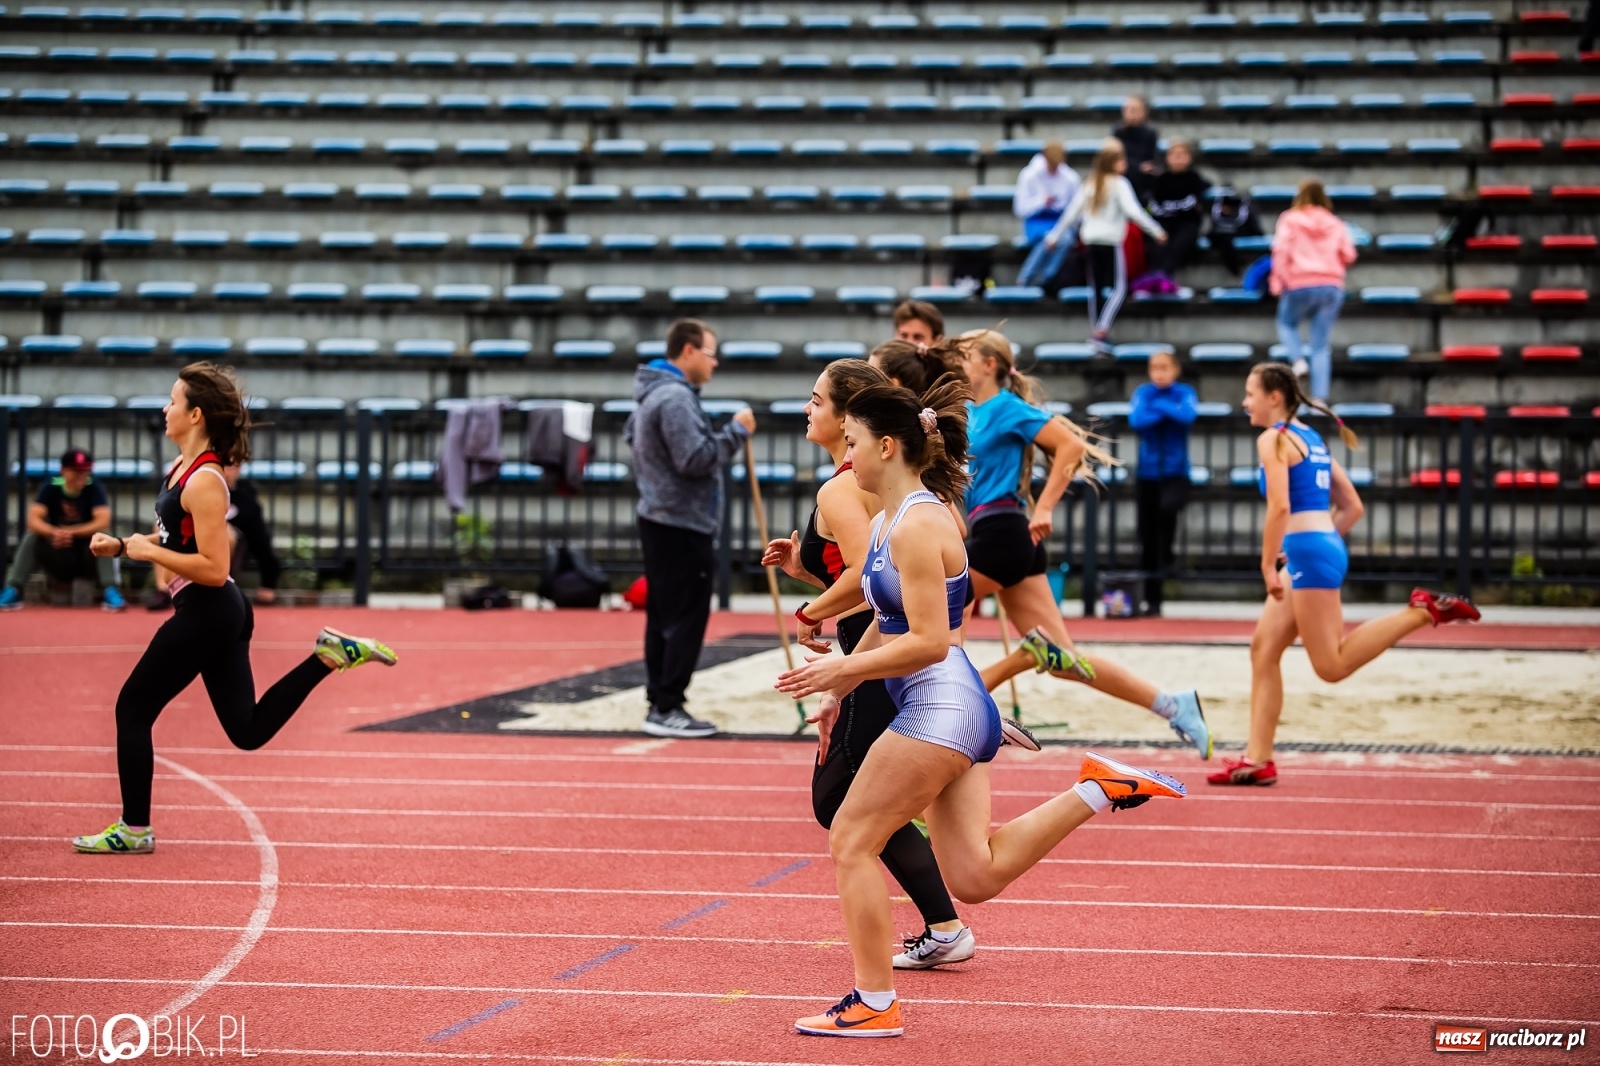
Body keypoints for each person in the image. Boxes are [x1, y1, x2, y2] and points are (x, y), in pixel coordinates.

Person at [775, 375, 1187, 1037]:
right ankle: (1096, 789)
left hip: (939, 705)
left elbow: (932, 640)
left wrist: (844, 666)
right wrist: (840, 687)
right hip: (953, 703)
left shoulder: (917, 524)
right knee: (976, 875)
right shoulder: (887, 520)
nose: (846, 457)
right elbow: (887, 619)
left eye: (852, 443)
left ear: (887, 445)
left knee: (851, 838)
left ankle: (874, 1003)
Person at [72, 364, 395, 854]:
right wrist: (122, 546)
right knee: (247, 730)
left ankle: (134, 829)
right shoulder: (180, 468)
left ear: (195, 415)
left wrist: (145, 552)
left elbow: (213, 567)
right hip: (217, 611)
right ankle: (327, 657)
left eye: (173, 401)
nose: (165, 408)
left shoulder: (206, 481)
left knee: (132, 708)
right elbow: (175, 541)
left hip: (208, 610)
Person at [763, 359, 981, 970]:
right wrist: (809, 574)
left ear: (849, 419)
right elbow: (877, 574)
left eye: (816, 400)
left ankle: (924, 945)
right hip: (889, 648)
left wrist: (814, 621)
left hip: (888, 650)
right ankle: (939, 927)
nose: (807, 409)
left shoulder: (845, 489)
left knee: (839, 804)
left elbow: (869, 578)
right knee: (974, 866)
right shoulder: (885, 490)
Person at [1210, 364, 1481, 787]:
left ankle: (1421, 611)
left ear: (1274, 397)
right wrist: (1319, 545)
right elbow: (1352, 506)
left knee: (1331, 665)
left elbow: (1280, 507)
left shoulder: (1273, 439)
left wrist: (1268, 564)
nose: (1245, 402)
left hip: (1307, 554)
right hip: (1317, 547)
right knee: (1264, 651)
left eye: (1250, 393)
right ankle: (1258, 759)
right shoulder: (1312, 439)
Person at [951, 330, 1211, 756]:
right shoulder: (969, 410)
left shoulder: (1007, 407)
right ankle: (1173, 705)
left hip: (1004, 534)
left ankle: (975, 692)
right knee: (1064, 660)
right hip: (999, 537)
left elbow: (1071, 447)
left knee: (930, 609)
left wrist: (1045, 508)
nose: (956, 363)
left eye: (964, 355)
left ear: (989, 364)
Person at [624, 318, 756, 739]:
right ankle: (667, 705)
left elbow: (633, 437)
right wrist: (736, 433)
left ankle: (661, 702)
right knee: (683, 617)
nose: (714, 363)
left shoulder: (653, 394)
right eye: (711, 353)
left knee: (666, 615)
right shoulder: (674, 397)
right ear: (689, 351)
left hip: (663, 516)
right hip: (680, 522)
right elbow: (694, 459)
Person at [1044, 139, 1167, 356]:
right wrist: (1156, 231)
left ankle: (1097, 330)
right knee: (1118, 288)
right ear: (1113, 163)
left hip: (1091, 241)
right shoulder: (1119, 184)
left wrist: (1055, 236)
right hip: (1110, 241)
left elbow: (1071, 213)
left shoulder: (1090, 183)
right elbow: (1134, 212)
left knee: (1097, 287)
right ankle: (1101, 329)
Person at [0, 448, 124, 611]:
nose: (82, 475)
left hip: (86, 557)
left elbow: (103, 521)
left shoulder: (94, 486)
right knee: (32, 536)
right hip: (58, 555)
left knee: (104, 536)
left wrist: (71, 532)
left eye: (86, 470)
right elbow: (33, 520)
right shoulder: (51, 485)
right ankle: (13, 589)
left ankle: (111, 590)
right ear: (63, 470)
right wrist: (54, 533)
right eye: (76, 470)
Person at [1270, 178, 1357, 403]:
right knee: (1320, 345)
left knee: (1286, 324)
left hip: (1298, 284)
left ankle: (1298, 360)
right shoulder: (1335, 222)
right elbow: (1349, 254)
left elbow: (1281, 251)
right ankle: (1319, 398)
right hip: (1330, 286)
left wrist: (1277, 281)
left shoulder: (1290, 219)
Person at [1129, 351, 1198, 617]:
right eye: (1154, 368)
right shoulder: (1144, 392)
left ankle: (1169, 556)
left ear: (1175, 369)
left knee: (1168, 511)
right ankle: (1152, 600)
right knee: (1148, 537)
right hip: (1147, 473)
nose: (1159, 373)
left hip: (1175, 471)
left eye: (1164, 367)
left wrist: (1159, 407)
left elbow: (1187, 416)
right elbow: (1137, 420)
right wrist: (1168, 409)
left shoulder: (1184, 392)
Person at [1013, 141, 1081, 288]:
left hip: (1061, 220)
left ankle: (1043, 278)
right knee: (1047, 239)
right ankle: (1028, 278)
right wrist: (1041, 202)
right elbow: (1020, 208)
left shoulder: (1070, 178)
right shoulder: (1029, 175)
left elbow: (1075, 208)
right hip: (1037, 220)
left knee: (1065, 239)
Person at [1142, 139, 1211, 283]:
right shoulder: (1161, 180)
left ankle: (1164, 275)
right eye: (1174, 155)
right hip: (1165, 222)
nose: (1178, 159)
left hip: (1187, 223)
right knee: (1158, 241)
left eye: (1182, 155)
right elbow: (1154, 205)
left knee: (1182, 240)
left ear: (1189, 158)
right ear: (1167, 158)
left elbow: (1200, 195)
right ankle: (1155, 275)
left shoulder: (1194, 178)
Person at [224, 464, 281, 604]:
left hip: (233, 548)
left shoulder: (245, 498)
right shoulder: (199, 492)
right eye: (221, 465)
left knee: (226, 533)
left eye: (230, 466)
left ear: (238, 468)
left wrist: (268, 583)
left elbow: (259, 537)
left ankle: (222, 585)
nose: (225, 471)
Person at [1112, 95, 1160, 199]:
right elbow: (1115, 158)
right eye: (1128, 109)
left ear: (1144, 112)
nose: (1131, 113)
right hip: (1123, 175)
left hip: (1144, 181)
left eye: (1135, 110)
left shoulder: (1151, 132)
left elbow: (1152, 159)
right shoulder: (1118, 131)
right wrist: (1138, 167)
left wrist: (1143, 168)